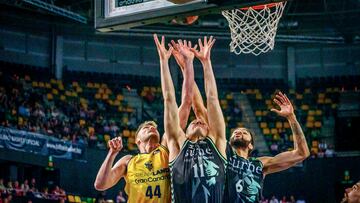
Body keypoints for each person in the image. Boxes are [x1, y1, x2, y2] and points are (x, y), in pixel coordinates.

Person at [94, 34, 195, 203]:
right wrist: (112, 154)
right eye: (146, 127)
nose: (152, 127)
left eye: (154, 126)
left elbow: (186, 103)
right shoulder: (128, 161)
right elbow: (100, 185)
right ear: (137, 140)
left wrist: (187, 65)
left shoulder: (165, 148)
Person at [154, 34, 227, 203]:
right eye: (193, 121)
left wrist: (206, 62)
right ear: (184, 131)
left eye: (201, 121)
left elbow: (212, 98)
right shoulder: (178, 143)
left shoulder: (217, 141)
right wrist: (163, 62)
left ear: (210, 129)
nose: (198, 120)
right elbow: (169, 99)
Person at [224, 92, 310, 202]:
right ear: (230, 142)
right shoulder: (224, 158)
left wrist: (291, 117)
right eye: (235, 132)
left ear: (251, 145)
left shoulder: (260, 163)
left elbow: (302, 153)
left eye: (244, 132)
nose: (238, 132)